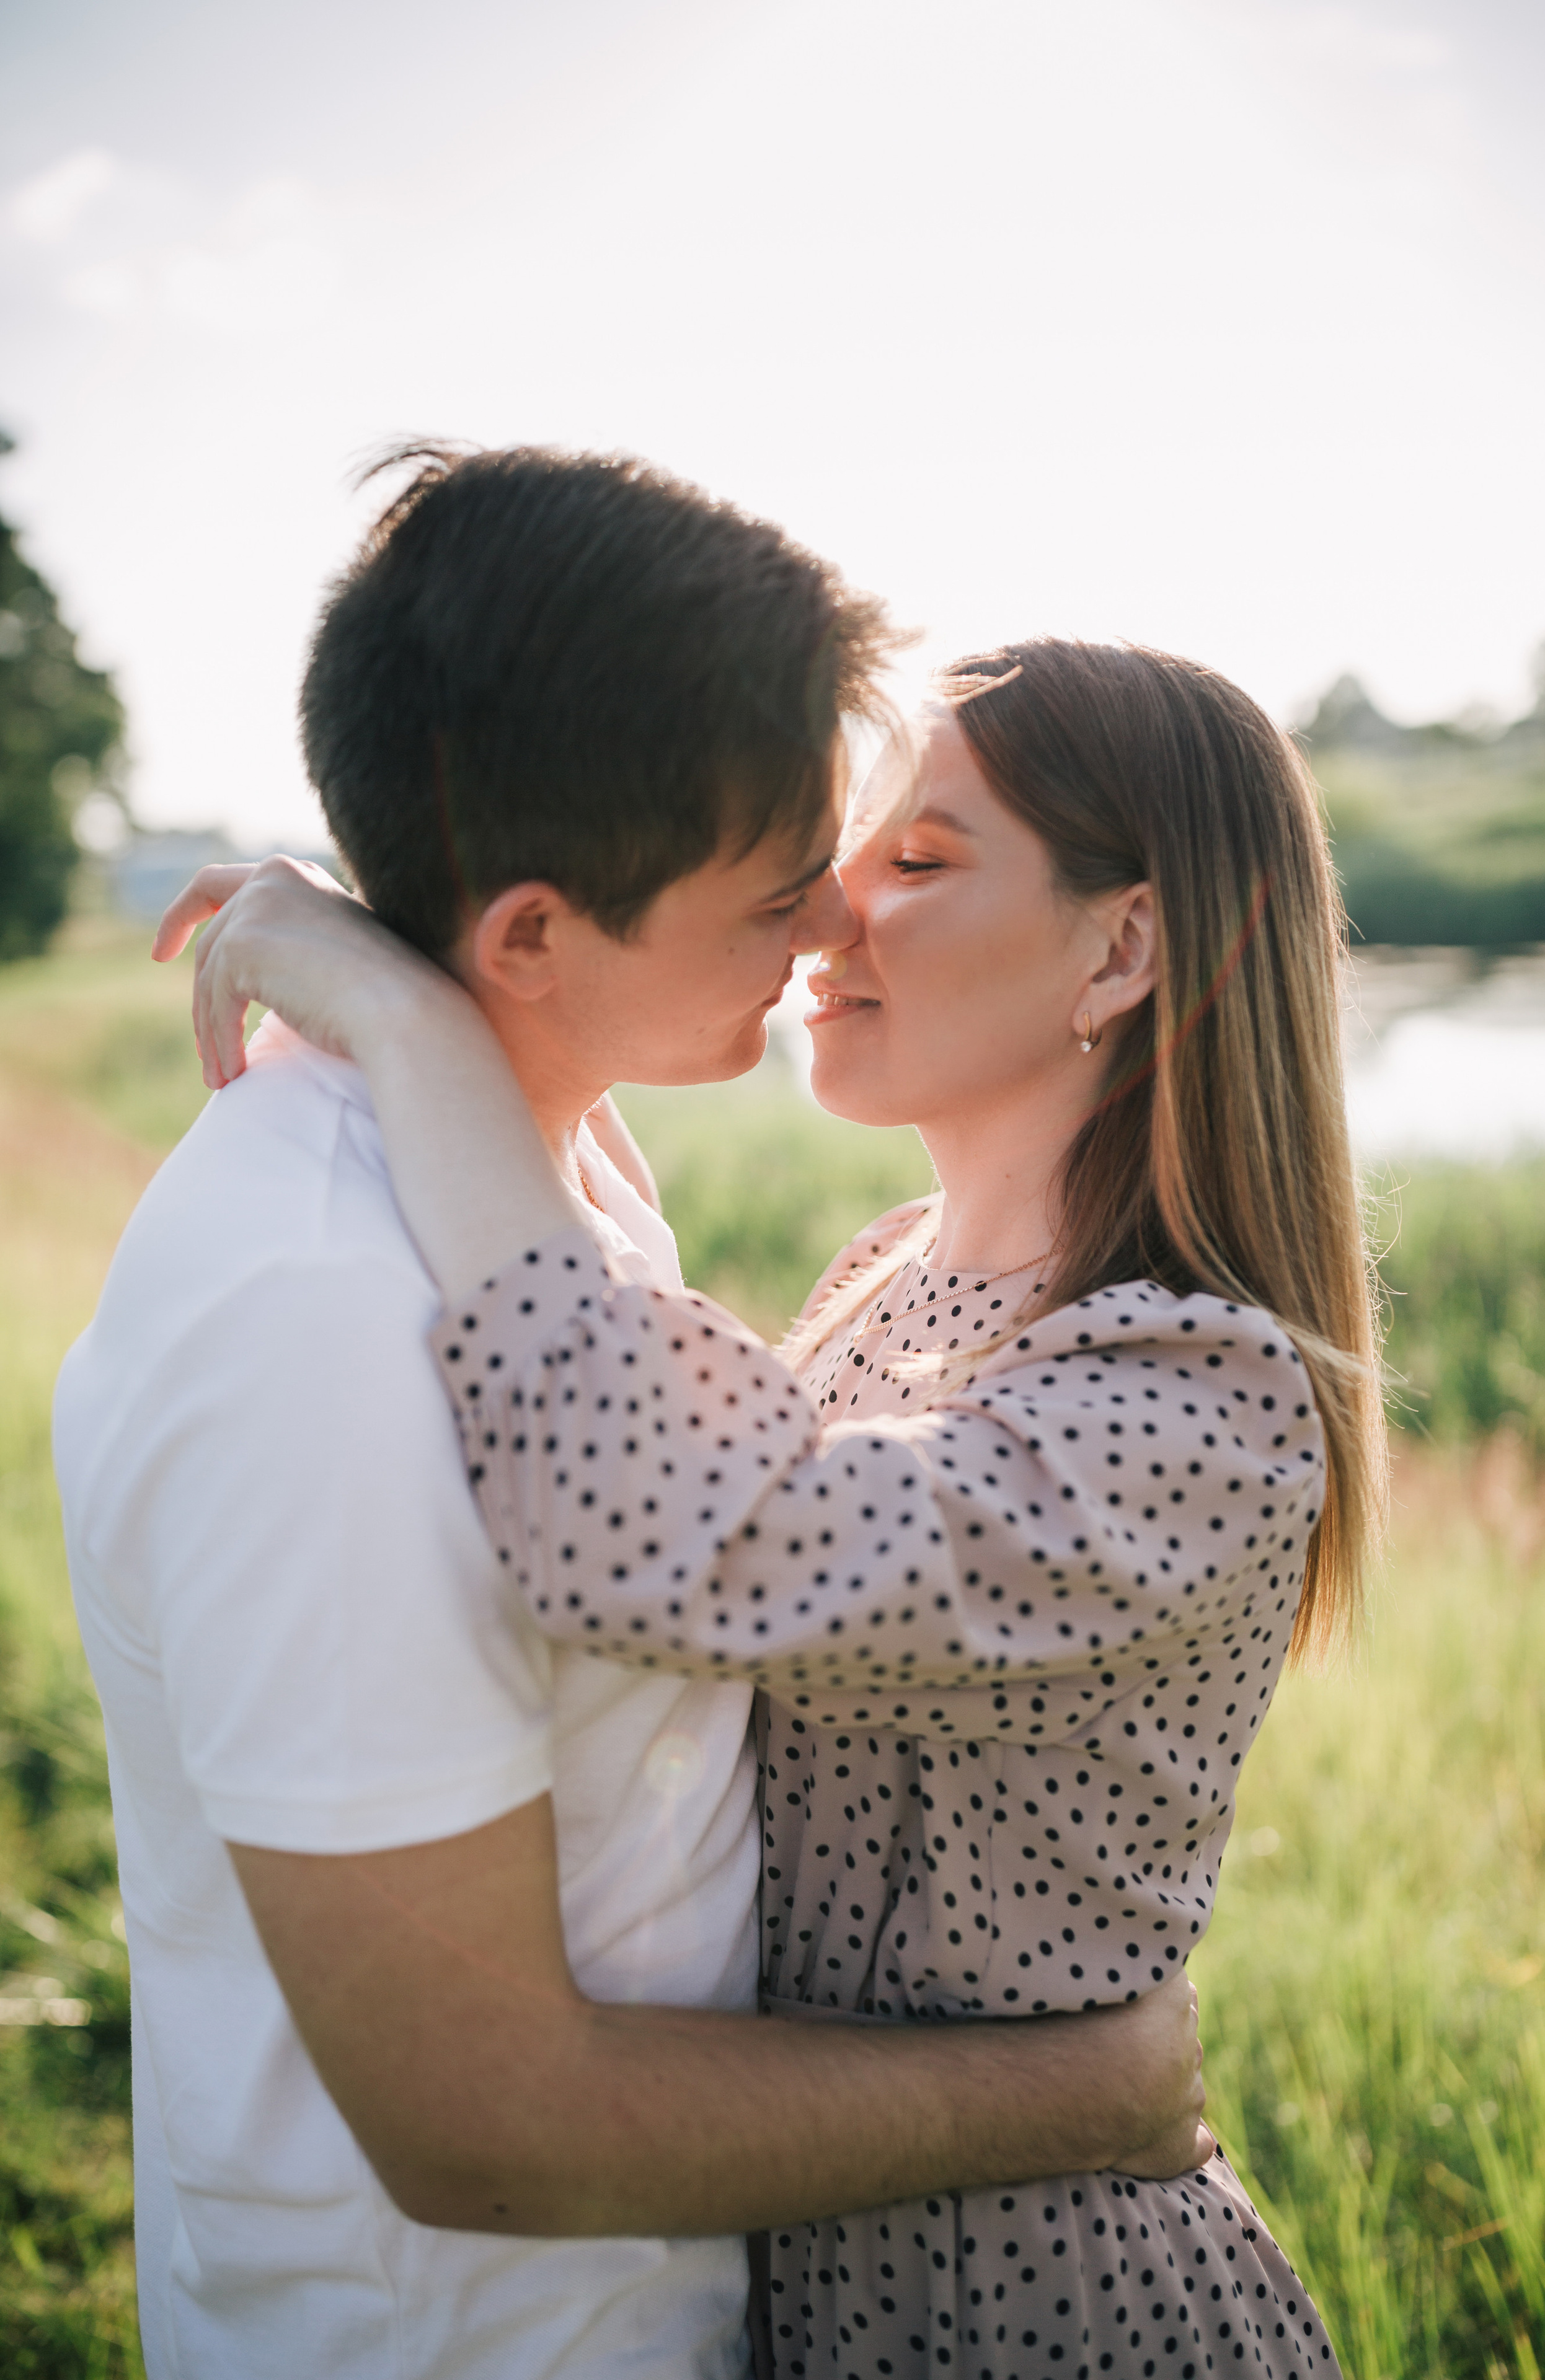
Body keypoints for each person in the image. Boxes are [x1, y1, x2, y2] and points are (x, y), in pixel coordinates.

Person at [53, 448, 1206, 2380]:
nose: (833, 920)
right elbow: (481, 2131)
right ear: (528, 938)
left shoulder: (560, 1173)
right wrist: (1076, 2100)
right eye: (781, 883)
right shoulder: (322, 1326)